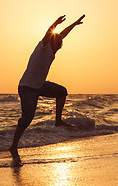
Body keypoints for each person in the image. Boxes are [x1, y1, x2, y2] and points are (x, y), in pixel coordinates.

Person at [9, 14, 85, 166]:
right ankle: (13, 147)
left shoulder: (52, 50)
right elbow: (48, 35)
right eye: (58, 43)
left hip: (39, 86)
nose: (60, 45)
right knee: (27, 119)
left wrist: (74, 24)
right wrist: (55, 24)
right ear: (53, 41)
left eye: (60, 44)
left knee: (62, 92)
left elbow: (63, 34)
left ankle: (57, 121)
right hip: (27, 87)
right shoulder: (43, 46)